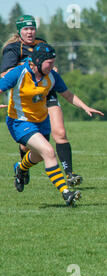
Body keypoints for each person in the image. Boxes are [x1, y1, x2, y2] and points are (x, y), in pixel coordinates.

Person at [0, 43, 104, 206]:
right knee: (48, 151)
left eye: (54, 62)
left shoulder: (51, 76)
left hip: (42, 122)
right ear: (38, 62)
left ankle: (21, 168)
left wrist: (85, 107)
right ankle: (66, 193)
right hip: (19, 122)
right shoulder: (18, 73)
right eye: (50, 63)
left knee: (40, 156)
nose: (53, 66)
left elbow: (68, 95)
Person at [1, 15, 84, 186]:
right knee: (28, 146)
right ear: (19, 31)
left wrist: (49, 69)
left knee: (60, 132)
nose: (30, 32)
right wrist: (29, 68)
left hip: (47, 91)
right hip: (25, 96)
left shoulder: (41, 43)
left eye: (32, 28)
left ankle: (69, 173)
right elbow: (5, 74)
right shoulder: (13, 49)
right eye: (26, 29)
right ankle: (22, 169)